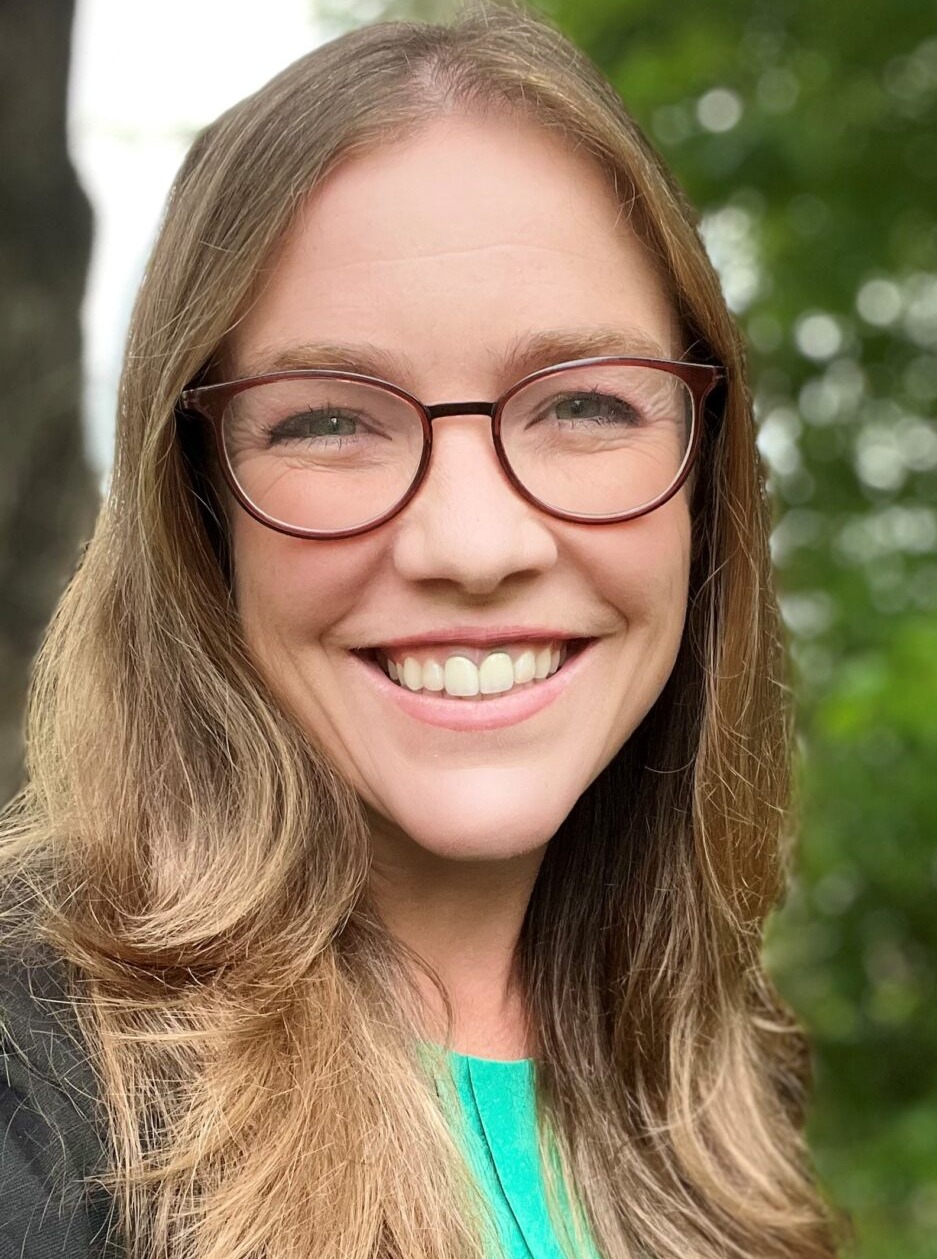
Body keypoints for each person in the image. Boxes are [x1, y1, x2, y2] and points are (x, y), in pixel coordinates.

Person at [0, 6, 840, 1258]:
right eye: (330, 421)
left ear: (707, 474)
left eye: (587, 402)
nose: (472, 542)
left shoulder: (722, 1090)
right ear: (197, 503)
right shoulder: (34, 1124)